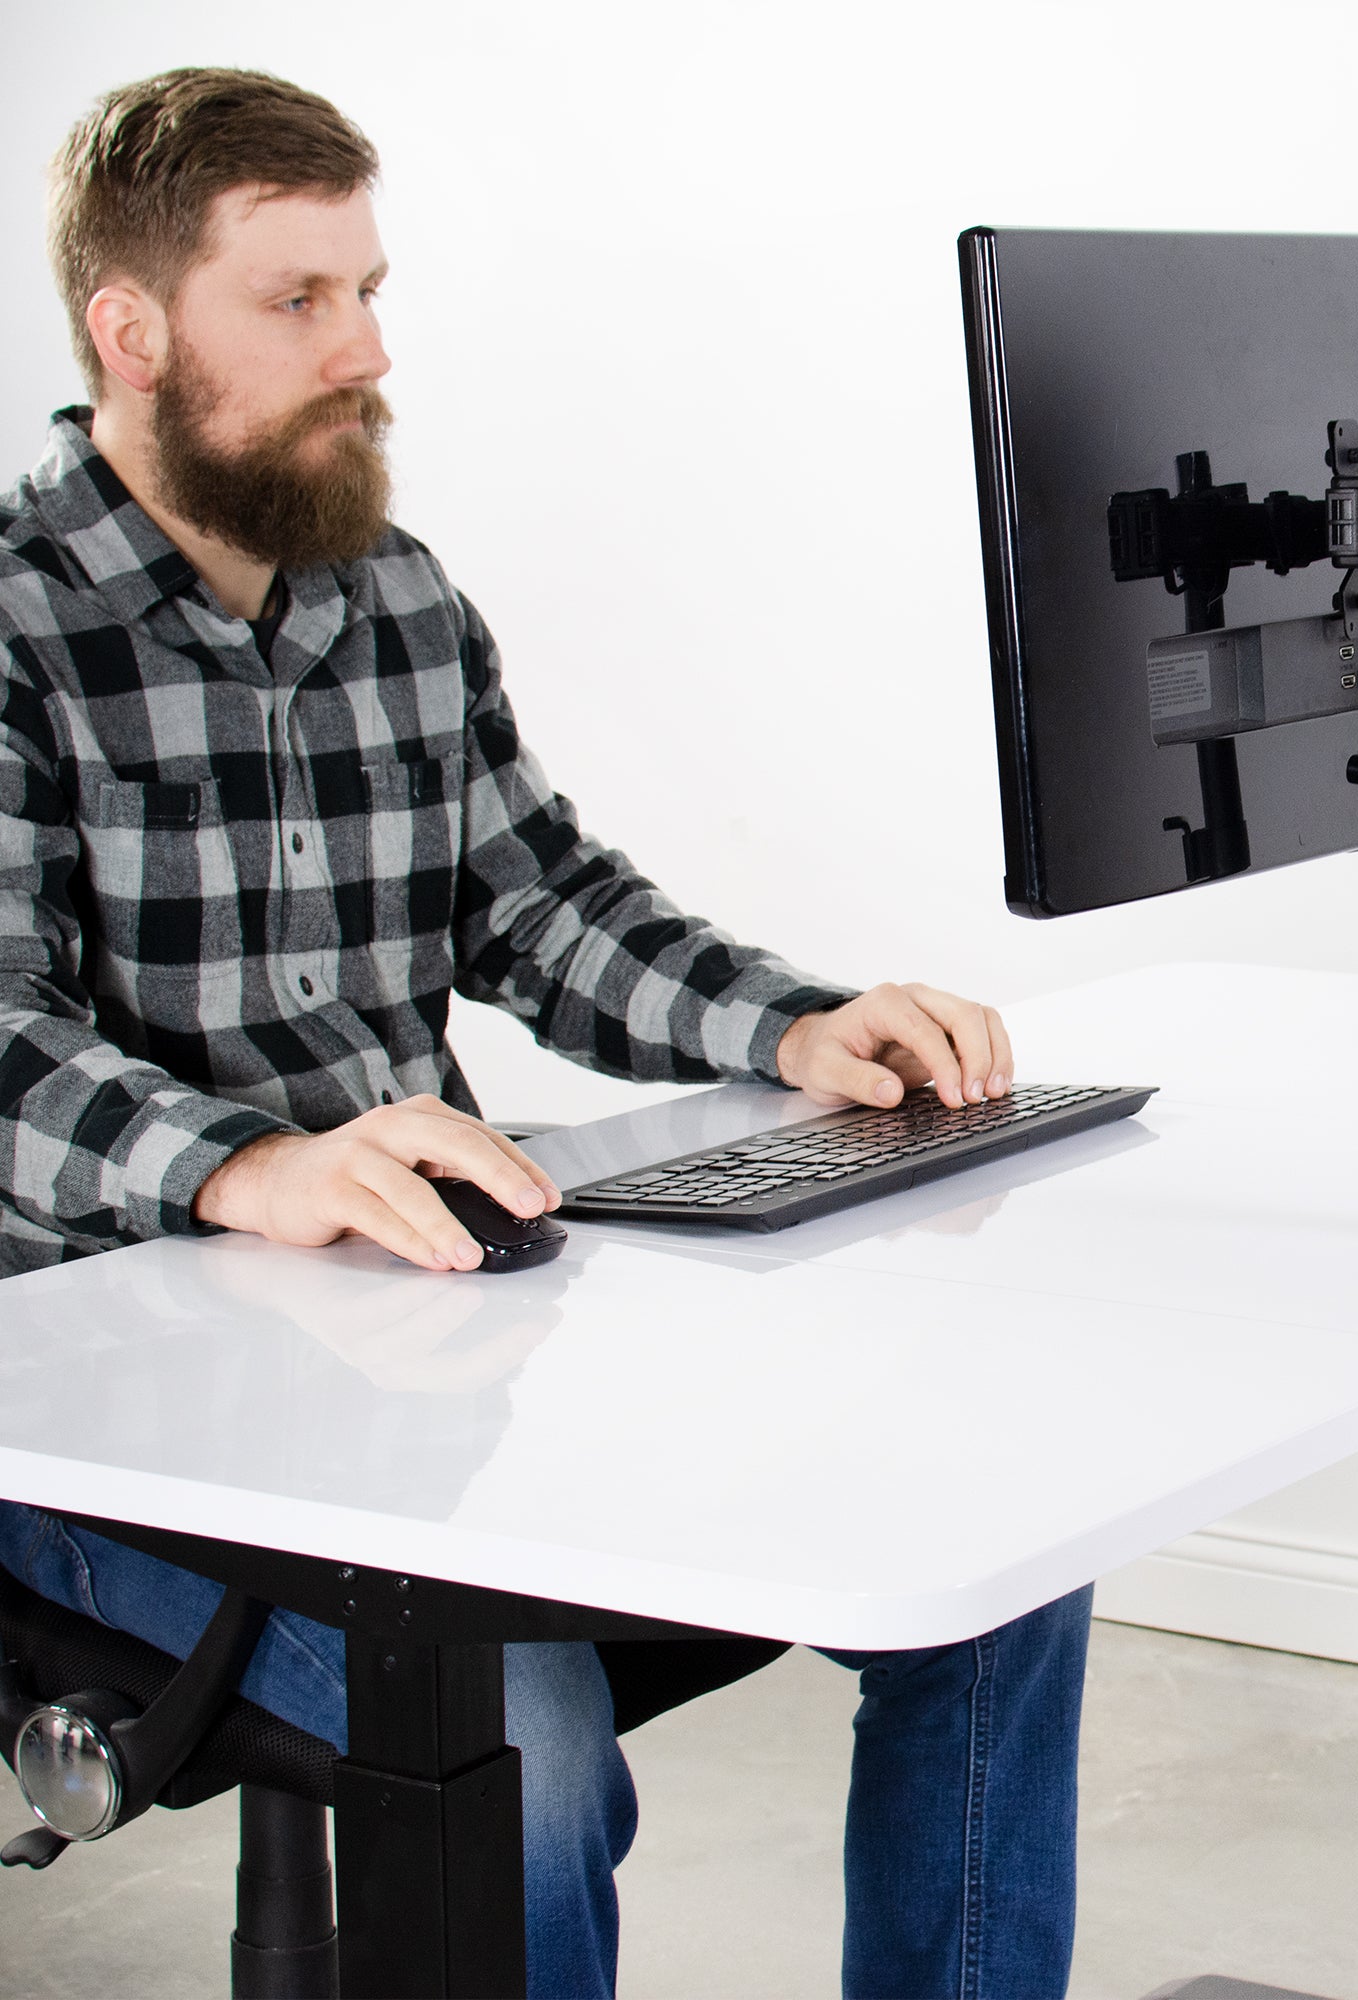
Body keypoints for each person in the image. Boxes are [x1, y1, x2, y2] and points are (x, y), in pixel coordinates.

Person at [0, 67, 1090, 1999]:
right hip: (104, 1425)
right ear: (131, 330)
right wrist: (252, 1167)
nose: (369, 346)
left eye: (372, 287)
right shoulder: (14, 625)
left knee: (1003, 1568)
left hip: (427, 1350)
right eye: (302, 299)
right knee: (531, 1747)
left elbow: (544, 909)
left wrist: (799, 1028)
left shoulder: (394, 601)